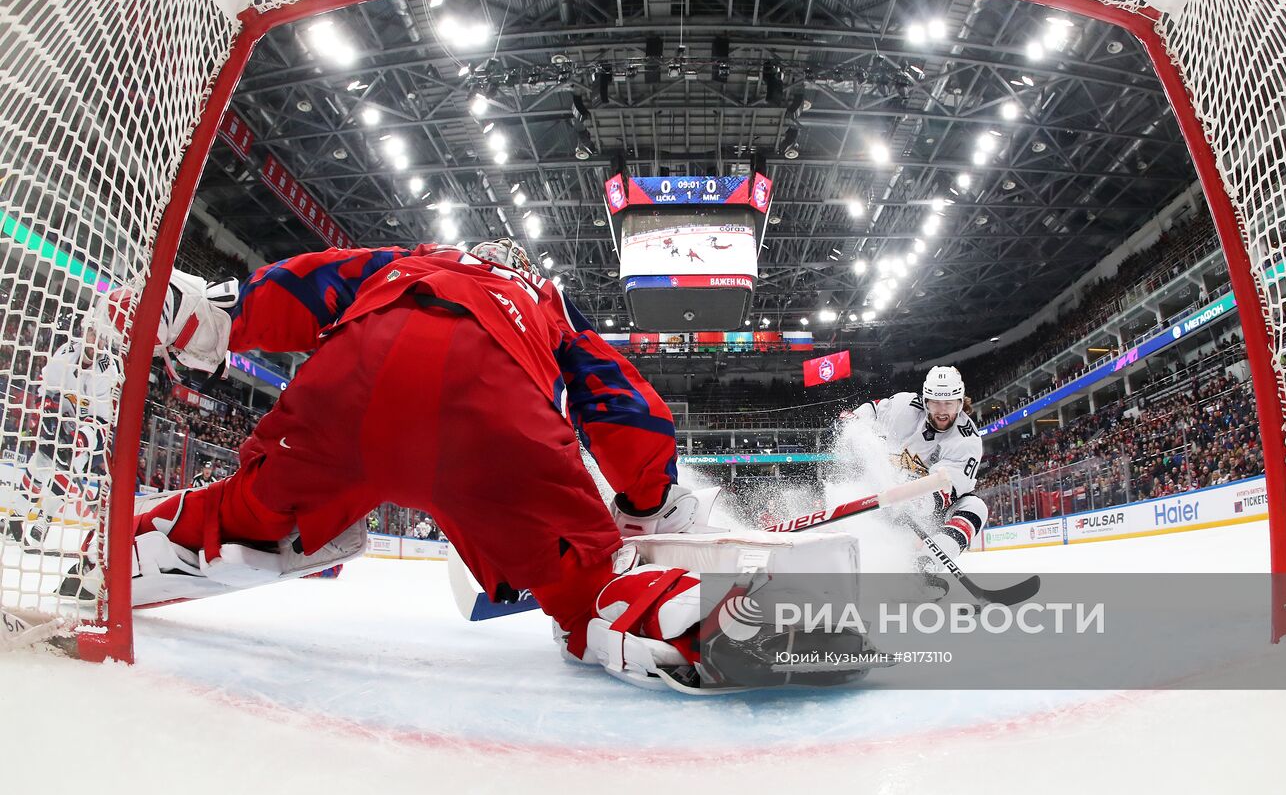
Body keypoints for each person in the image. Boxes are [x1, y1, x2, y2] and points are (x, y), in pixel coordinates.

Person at [108, 239, 744, 688]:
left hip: (345, 390)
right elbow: (620, 401)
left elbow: (306, 285)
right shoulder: (541, 298)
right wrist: (645, 499)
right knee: (592, 588)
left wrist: (217, 319)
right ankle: (717, 623)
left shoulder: (409, 260)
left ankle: (119, 556)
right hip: (492, 419)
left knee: (248, 509)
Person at [844, 366, 987, 564]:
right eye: (936, 403)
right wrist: (852, 421)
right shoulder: (905, 406)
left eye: (949, 404)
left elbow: (942, 491)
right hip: (885, 498)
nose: (942, 411)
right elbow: (872, 411)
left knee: (975, 507)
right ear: (925, 400)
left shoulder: (966, 441)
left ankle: (927, 566)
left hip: (928, 512)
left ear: (960, 403)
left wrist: (912, 505)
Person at [3, 312, 120, 549]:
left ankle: (44, 519)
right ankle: (15, 516)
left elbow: (101, 419)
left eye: (100, 337)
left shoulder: (108, 371)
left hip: (92, 431)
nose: (94, 340)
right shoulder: (67, 351)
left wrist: (79, 441)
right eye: (91, 333)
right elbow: (46, 386)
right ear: (84, 331)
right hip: (61, 416)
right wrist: (46, 412)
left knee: (71, 466)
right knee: (42, 459)